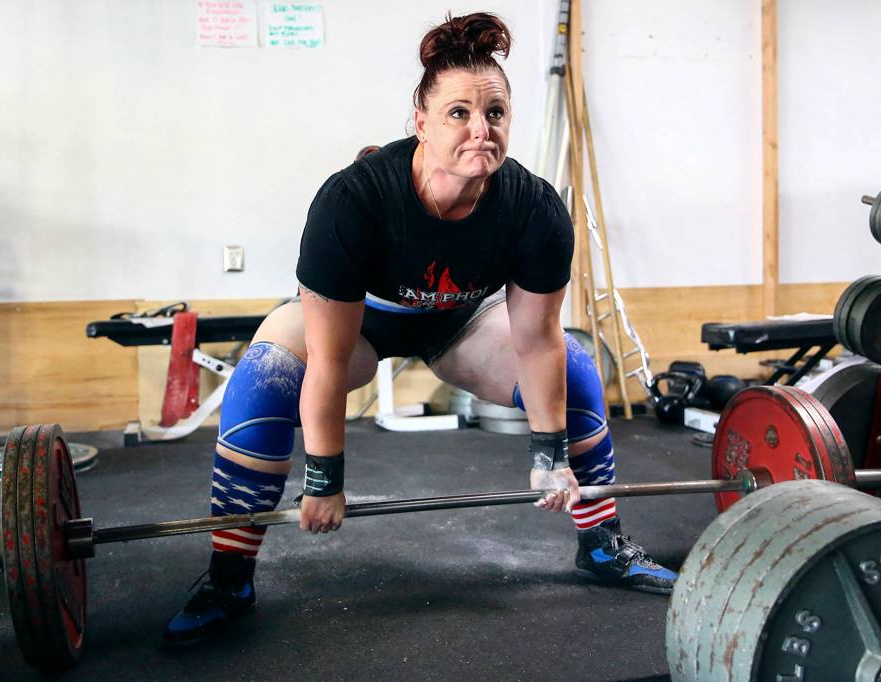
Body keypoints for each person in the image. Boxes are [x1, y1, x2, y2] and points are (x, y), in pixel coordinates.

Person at [164, 12, 677, 644]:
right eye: (458, 113)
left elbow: (537, 339)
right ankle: (228, 575)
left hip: (457, 324)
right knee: (265, 378)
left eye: (495, 113)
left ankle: (601, 543)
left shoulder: (534, 208)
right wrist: (324, 479)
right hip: (360, 326)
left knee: (573, 368)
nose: (479, 129)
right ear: (421, 120)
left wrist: (547, 457)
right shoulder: (354, 200)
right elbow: (328, 360)